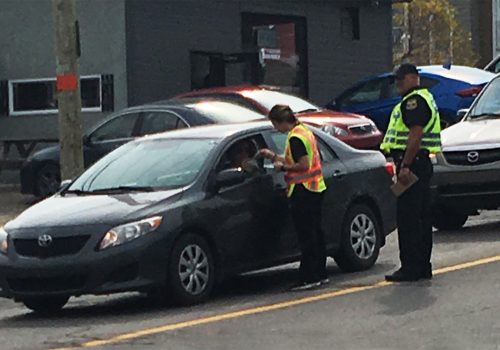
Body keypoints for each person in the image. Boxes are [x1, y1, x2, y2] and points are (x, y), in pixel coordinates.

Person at [381, 63, 441, 282]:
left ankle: (411, 267)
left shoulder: (413, 102)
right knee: (422, 217)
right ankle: (422, 266)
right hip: (420, 163)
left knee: (409, 218)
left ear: (413, 78)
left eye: (400, 79)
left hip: (412, 164)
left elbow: (415, 135)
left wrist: (405, 165)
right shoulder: (424, 97)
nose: (397, 83)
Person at [259, 104, 328, 291]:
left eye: (275, 124)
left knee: (306, 235)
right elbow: (300, 158)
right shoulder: (304, 131)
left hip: (303, 190)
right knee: (315, 233)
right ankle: (320, 273)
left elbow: (303, 164)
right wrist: (274, 156)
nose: (275, 129)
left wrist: (282, 168)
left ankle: (309, 277)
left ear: (281, 122)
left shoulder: (296, 137)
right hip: (315, 187)